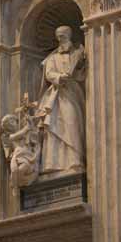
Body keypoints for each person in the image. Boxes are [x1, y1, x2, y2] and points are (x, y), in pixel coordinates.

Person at [37, 25, 85, 175]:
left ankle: (74, 160)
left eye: (62, 36)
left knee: (72, 123)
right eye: (58, 37)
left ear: (69, 36)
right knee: (54, 126)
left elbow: (81, 72)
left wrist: (79, 66)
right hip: (56, 96)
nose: (60, 39)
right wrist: (59, 77)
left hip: (72, 93)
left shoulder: (77, 53)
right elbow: (49, 73)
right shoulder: (52, 58)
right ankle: (53, 164)